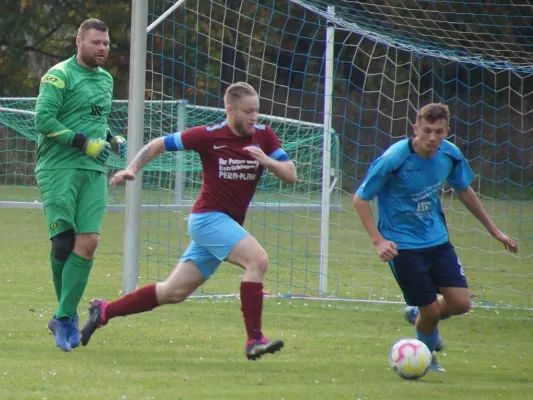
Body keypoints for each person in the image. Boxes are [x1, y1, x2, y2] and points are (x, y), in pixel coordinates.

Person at [80, 82, 297, 360]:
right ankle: (254, 339)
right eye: (248, 112)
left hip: (224, 226)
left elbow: (291, 174)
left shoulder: (264, 136)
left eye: (257, 111)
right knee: (258, 260)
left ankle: (104, 310)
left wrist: (267, 161)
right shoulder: (209, 136)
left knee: (173, 292)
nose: (254, 117)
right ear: (230, 110)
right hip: (207, 220)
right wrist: (131, 169)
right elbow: (157, 144)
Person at [353, 103, 517, 371]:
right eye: (426, 130)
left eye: (438, 131)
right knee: (431, 311)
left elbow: (464, 190)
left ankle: (420, 316)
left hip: (437, 240)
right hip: (402, 246)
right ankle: (425, 359)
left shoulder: (450, 154)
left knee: (461, 304)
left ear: (447, 131)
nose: (432, 137)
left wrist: (493, 230)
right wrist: (379, 241)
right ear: (415, 128)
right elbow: (360, 199)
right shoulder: (394, 159)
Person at [34, 18, 127, 352]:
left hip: (92, 172)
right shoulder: (58, 75)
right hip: (58, 168)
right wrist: (83, 142)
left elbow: (97, 120)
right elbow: (43, 120)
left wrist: (112, 138)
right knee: (63, 243)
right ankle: (68, 315)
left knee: (89, 242)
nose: (102, 49)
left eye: (105, 43)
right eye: (95, 43)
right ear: (78, 42)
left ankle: (62, 316)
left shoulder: (105, 80)